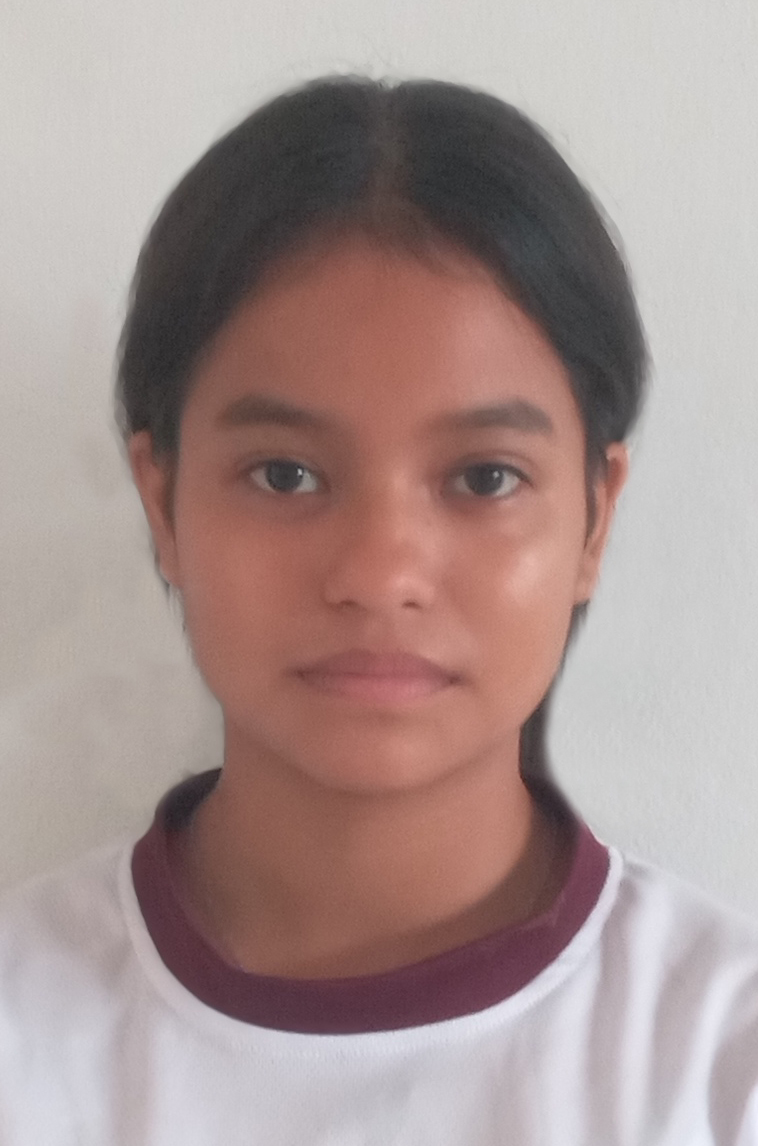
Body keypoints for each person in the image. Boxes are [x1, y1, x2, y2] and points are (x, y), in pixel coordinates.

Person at [0, 74, 756, 1145]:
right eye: (284, 474)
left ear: (594, 518)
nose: (379, 572)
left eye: (485, 478)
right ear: (161, 502)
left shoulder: (720, 1067)